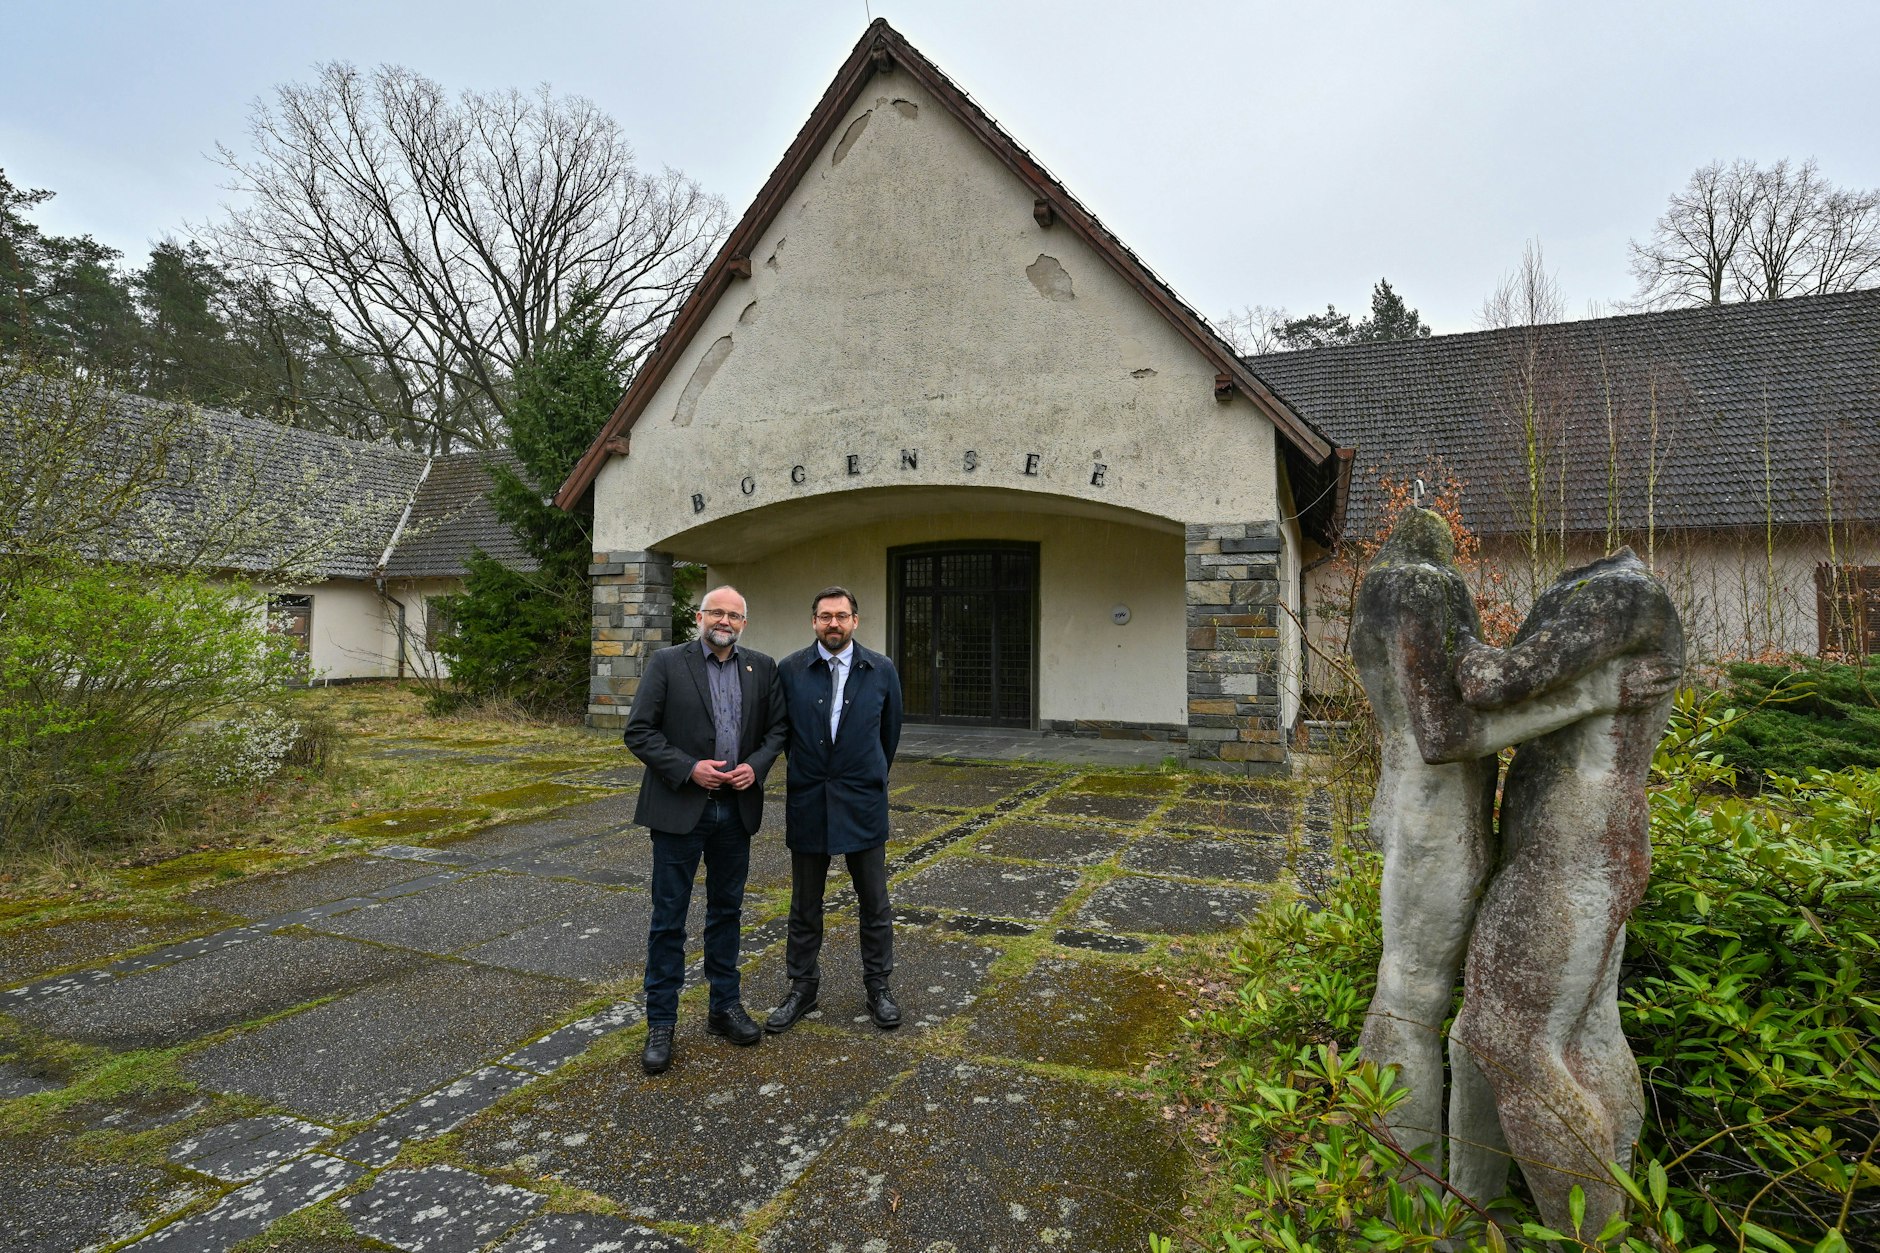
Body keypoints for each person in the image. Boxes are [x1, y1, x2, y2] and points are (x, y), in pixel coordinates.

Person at [1348, 511, 1667, 1196]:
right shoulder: (1418, 583)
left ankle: (1457, 1201)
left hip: (1410, 804)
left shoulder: (1379, 584)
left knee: (1447, 1011)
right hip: (1435, 815)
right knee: (1412, 996)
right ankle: (1415, 1206)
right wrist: (1594, 693)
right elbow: (1445, 730)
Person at [622, 585, 787, 1075]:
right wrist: (688, 768)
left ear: (744, 624)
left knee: (727, 912)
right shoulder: (668, 663)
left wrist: (756, 767)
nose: (725, 620)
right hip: (680, 809)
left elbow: (778, 730)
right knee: (669, 918)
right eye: (717, 611)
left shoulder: (762, 667)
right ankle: (662, 1022)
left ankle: (723, 1007)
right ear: (699, 617)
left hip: (735, 811)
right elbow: (639, 731)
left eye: (734, 615)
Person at [765, 585, 905, 1033]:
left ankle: (878, 987)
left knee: (874, 903)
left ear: (855, 621)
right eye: (825, 616)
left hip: (862, 802)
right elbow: (780, 732)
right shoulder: (790, 670)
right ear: (814, 622)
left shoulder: (881, 670)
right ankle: (802, 988)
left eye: (841, 616)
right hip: (809, 802)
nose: (833, 623)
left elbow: (889, 736)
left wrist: (866, 775)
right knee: (805, 904)